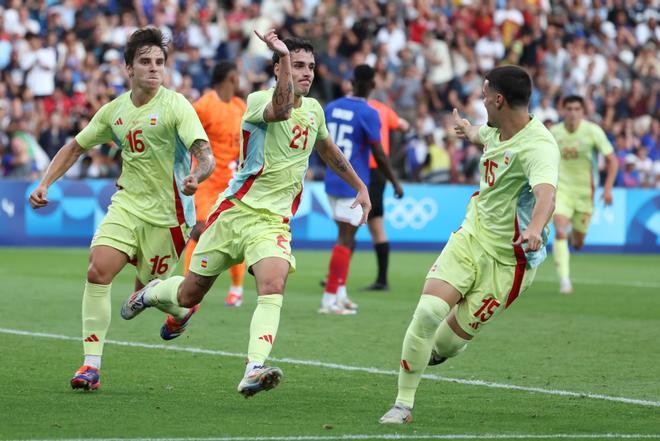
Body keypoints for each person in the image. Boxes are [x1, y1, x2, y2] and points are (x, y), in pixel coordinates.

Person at [120, 31, 371, 398]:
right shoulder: (256, 102)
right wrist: (283, 56)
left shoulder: (315, 111)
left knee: (273, 284)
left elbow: (328, 149)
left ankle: (254, 368)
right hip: (234, 211)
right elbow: (282, 109)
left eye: (310, 67)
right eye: (296, 65)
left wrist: (360, 185)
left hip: (273, 221)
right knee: (189, 295)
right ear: (277, 68)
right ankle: (153, 292)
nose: (306, 73)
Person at [28, 27, 214, 391]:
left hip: (170, 219)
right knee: (98, 271)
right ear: (128, 68)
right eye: (145, 61)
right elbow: (75, 147)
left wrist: (197, 176)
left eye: (159, 62)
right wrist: (45, 182)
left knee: (147, 293)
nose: (154, 68)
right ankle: (90, 366)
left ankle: (181, 311)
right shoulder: (114, 111)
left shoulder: (176, 105)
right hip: (127, 205)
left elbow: (204, 154)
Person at [379, 65, 559, 424]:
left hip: (511, 262)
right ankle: (402, 404)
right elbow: (484, 135)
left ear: (498, 99)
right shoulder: (497, 128)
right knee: (428, 311)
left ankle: (439, 349)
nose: (480, 98)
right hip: (471, 237)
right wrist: (467, 130)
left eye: (484, 93)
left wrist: (536, 228)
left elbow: (546, 194)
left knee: (446, 344)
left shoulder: (539, 146)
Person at [320, 64, 404, 314]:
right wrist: (395, 181)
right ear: (373, 85)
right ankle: (329, 299)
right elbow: (379, 153)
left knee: (346, 237)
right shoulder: (368, 112)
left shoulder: (332, 107)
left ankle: (341, 292)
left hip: (331, 179)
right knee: (346, 239)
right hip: (352, 184)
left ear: (351, 81)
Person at [186, 61, 248, 307]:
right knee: (200, 230)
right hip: (205, 179)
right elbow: (184, 134)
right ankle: (188, 287)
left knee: (233, 236)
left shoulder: (240, 107)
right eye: (238, 76)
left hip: (231, 182)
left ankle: (236, 289)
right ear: (231, 78)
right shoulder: (203, 105)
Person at [550, 95, 618, 294]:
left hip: (585, 194)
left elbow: (612, 161)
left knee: (578, 243)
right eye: (568, 108)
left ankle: (574, 236)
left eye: (576, 109)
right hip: (561, 191)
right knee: (560, 231)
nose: (572, 113)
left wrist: (607, 189)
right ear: (563, 110)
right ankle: (564, 281)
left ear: (582, 111)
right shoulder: (554, 133)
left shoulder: (592, 131)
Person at [364, 98, 409, 291]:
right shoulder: (383, 109)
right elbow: (404, 126)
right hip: (378, 171)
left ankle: (336, 277)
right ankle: (381, 279)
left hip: (363, 169)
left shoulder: (355, 107)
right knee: (375, 224)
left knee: (363, 224)